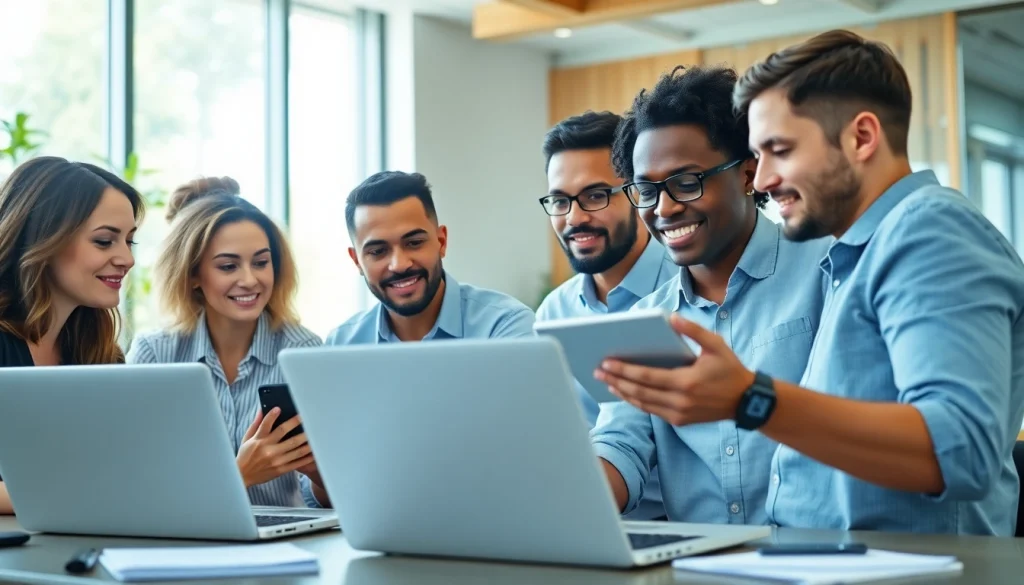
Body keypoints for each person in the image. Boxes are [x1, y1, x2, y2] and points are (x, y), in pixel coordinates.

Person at [599, 30, 1024, 536]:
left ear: (861, 138)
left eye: (779, 151)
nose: (762, 180)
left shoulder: (928, 230)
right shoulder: (851, 257)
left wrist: (748, 399)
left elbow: (959, 449)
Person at [589, 65, 831, 526]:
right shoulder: (645, 320)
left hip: (817, 560)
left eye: (686, 182)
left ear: (747, 174)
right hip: (699, 566)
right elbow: (621, 444)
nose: (664, 208)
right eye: (647, 190)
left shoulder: (826, 270)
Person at [301, 170, 536, 507]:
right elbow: (326, 500)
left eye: (414, 243)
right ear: (356, 260)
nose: (399, 264)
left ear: (441, 241)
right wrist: (319, 471)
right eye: (378, 251)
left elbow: (525, 458)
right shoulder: (342, 345)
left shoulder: (507, 328)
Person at [127, 177, 321, 508]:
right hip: (184, 534)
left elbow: (327, 502)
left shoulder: (304, 352)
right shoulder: (155, 354)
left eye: (261, 262)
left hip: (283, 541)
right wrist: (240, 474)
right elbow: (138, 485)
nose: (250, 280)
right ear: (192, 275)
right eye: (229, 266)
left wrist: (319, 473)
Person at [537, 111, 676, 520]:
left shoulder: (690, 289)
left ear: (637, 192)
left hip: (679, 525)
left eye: (596, 196)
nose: (575, 218)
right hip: (581, 516)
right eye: (560, 201)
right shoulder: (554, 314)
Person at [0, 156, 144, 515]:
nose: (126, 259)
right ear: (45, 238)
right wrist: (79, 496)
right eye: (105, 241)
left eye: (129, 242)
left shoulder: (99, 354)